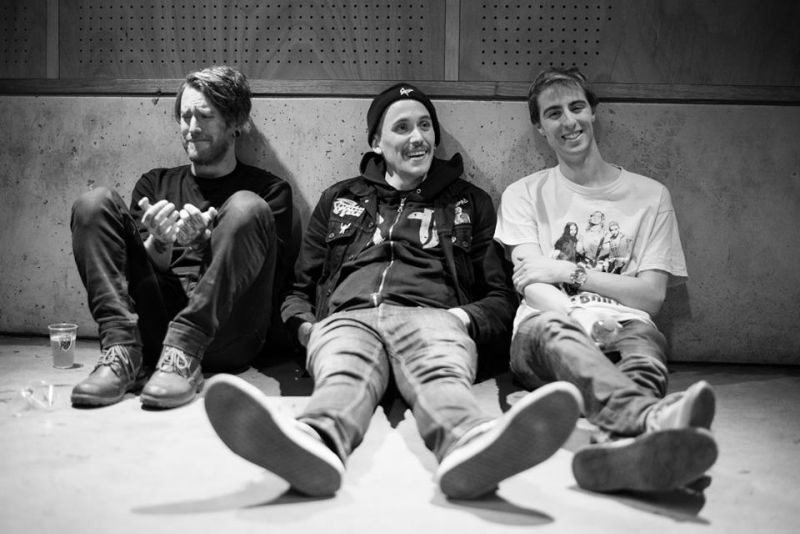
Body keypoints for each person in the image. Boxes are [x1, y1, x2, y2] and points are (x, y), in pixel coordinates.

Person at [203, 83, 582, 499]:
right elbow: (298, 288)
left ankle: (470, 444)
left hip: (433, 317)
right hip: (347, 319)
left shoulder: (469, 203)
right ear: (376, 142)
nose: (418, 137)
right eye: (402, 128)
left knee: (441, 376)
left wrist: (460, 319)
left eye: (425, 126)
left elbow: (500, 296)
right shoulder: (339, 198)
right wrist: (307, 329)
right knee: (342, 375)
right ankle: (314, 443)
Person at [494, 67, 718, 494]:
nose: (569, 121)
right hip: (546, 329)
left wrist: (568, 271)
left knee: (644, 353)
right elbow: (532, 283)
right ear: (540, 128)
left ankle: (620, 450)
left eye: (577, 107)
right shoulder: (523, 194)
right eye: (554, 113)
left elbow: (651, 297)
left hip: (628, 326)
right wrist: (581, 318)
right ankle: (651, 421)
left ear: (593, 113)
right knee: (556, 332)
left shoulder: (651, 196)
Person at [69, 65, 293, 410]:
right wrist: (160, 242)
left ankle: (186, 350)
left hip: (225, 332)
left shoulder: (271, 192)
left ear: (236, 122)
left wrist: (206, 244)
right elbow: (137, 273)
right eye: (185, 116)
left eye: (205, 116)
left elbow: (264, 279)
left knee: (247, 206)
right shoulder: (155, 184)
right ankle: (121, 352)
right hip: (156, 327)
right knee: (93, 203)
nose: (192, 128)